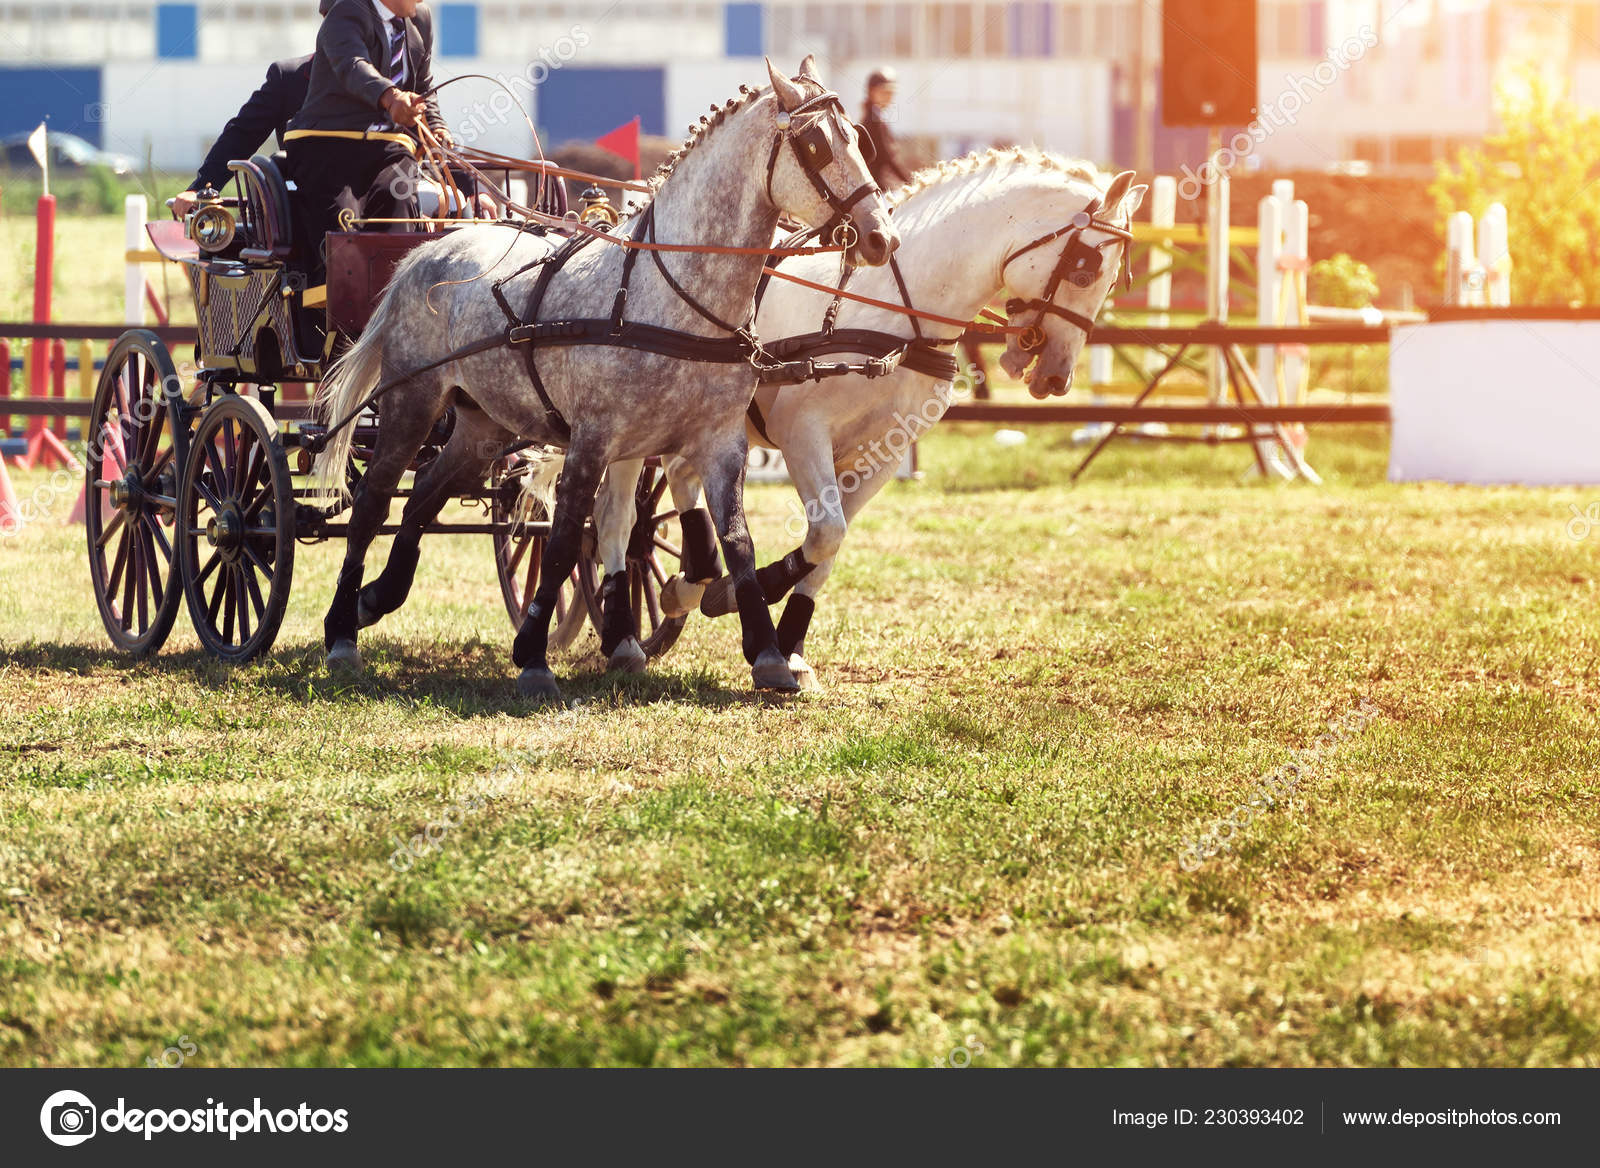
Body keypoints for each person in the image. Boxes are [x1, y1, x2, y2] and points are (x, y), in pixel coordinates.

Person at [285, 0, 450, 274]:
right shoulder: (346, 10)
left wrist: (436, 126)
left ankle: (394, 294)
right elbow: (353, 65)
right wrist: (391, 97)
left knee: (397, 198)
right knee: (344, 220)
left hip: (387, 148)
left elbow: (423, 86)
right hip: (328, 145)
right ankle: (344, 294)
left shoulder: (421, 19)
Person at [170, 0, 337, 218]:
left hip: (378, 206)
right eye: (338, 22)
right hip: (305, 212)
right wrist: (200, 188)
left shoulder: (390, 82)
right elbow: (241, 135)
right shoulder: (288, 77)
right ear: (324, 23)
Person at [860, 66, 911, 191]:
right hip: (879, 188)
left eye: (891, 93)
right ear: (872, 92)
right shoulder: (872, 122)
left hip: (882, 185)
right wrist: (911, 182)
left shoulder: (875, 118)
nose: (889, 97)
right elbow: (888, 159)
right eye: (884, 92)